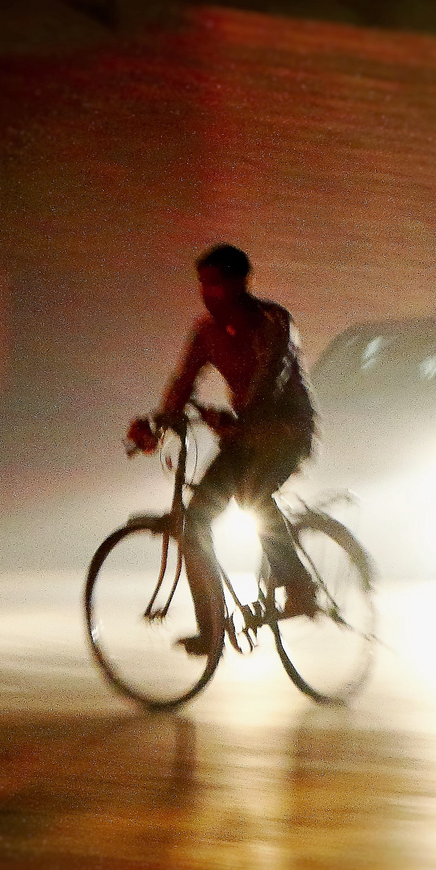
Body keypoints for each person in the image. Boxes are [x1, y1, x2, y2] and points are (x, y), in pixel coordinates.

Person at [130, 244, 318, 656]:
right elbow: (183, 381)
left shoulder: (272, 321)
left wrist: (242, 418)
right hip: (244, 435)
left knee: (253, 494)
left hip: (286, 431)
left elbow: (272, 376)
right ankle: (211, 629)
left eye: (216, 284)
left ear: (241, 282)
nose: (208, 293)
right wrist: (158, 423)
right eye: (203, 284)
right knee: (194, 521)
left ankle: (299, 586)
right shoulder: (206, 332)